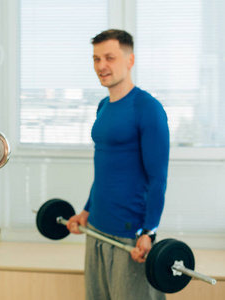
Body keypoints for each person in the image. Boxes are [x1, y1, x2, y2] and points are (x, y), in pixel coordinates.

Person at [66, 29, 170, 300]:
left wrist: (150, 231)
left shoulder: (148, 108)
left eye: (109, 57)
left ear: (130, 60)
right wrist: (86, 211)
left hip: (129, 237)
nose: (101, 66)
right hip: (97, 230)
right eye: (96, 59)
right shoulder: (103, 106)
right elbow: (104, 169)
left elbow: (158, 178)